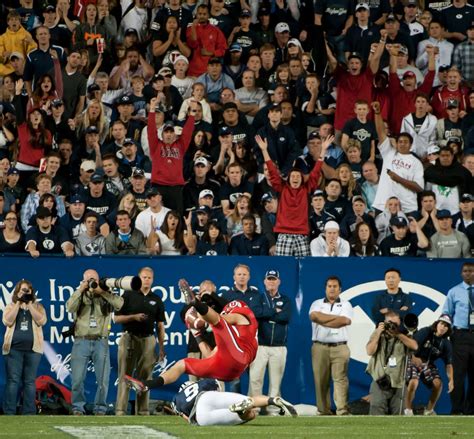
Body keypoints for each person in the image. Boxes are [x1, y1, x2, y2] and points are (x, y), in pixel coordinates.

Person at [124, 279, 257, 390]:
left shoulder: (243, 317)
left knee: (219, 323)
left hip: (240, 357)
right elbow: (209, 356)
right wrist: (197, 333)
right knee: (183, 364)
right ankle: (147, 384)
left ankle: (194, 302)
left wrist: (199, 319)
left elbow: (221, 320)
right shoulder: (232, 339)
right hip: (229, 367)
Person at [65, 269, 124, 415]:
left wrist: (102, 291)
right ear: (83, 280)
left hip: (101, 342)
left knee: (103, 380)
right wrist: (81, 289)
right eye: (88, 280)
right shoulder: (80, 294)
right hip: (81, 341)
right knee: (77, 379)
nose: (92, 282)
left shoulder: (105, 294)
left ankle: (100, 409)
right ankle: (78, 408)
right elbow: (69, 307)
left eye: (94, 279)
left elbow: (120, 304)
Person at [115, 267, 166, 416]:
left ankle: (143, 411)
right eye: (144, 277)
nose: (147, 280)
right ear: (139, 278)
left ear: (153, 280)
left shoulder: (156, 299)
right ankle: (120, 410)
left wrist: (162, 348)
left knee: (145, 377)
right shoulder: (128, 295)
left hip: (149, 339)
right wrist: (134, 317)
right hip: (129, 337)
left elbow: (160, 325)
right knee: (125, 374)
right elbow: (116, 318)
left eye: (149, 278)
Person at [248, 270, 291, 414]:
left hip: (279, 347)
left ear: (279, 281)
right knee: (255, 379)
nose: (271, 282)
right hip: (260, 345)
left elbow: (285, 317)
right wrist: (274, 311)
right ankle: (254, 408)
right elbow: (255, 314)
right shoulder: (258, 298)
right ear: (265, 281)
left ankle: (273, 410)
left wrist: (267, 313)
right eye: (269, 279)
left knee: (275, 382)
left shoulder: (285, 300)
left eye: (274, 279)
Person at [167, 378, 296, 426]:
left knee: (250, 415)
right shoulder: (201, 383)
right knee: (249, 400)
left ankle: (242, 412)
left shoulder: (176, 399)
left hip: (200, 416)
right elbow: (219, 389)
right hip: (207, 396)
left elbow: (186, 418)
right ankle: (272, 399)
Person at [309, 276, 353, 415]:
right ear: (325, 288)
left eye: (335, 286)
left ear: (340, 289)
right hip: (319, 346)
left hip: (340, 347)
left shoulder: (346, 304)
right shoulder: (316, 303)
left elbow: (344, 321)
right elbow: (314, 317)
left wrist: (323, 319)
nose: (332, 289)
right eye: (329, 286)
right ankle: (323, 411)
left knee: (340, 379)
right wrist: (335, 319)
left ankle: (342, 410)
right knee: (320, 380)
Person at [2, 279, 47, 415]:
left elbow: (42, 321)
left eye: (28, 290)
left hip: (33, 350)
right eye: (23, 290)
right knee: (13, 381)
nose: (25, 292)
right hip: (13, 350)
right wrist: (18, 303)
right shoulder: (10, 306)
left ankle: (29, 412)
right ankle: (9, 412)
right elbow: (7, 321)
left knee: (29, 382)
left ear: (32, 292)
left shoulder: (38, 307)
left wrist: (30, 304)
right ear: (17, 292)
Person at [366, 310, 418, 415]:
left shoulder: (404, 335)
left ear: (400, 323)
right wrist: (378, 332)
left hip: (398, 381)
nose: (391, 326)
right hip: (380, 379)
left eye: (394, 323)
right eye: (389, 323)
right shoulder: (378, 334)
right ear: (384, 322)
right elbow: (369, 351)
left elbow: (414, 346)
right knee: (377, 408)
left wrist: (397, 333)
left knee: (399, 412)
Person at [405, 315, 454, 416]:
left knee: (438, 383)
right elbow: (411, 345)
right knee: (413, 382)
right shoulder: (425, 331)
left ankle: (429, 410)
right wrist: (414, 357)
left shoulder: (446, 343)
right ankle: (408, 410)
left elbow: (448, 364)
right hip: (415, 358)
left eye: (446, 326)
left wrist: (451, 380)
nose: (443, 327)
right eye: (441, 323)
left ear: (448, 329)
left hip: (428, 363)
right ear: (437, 324)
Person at [442, 262, 474, 415]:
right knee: (458, 375)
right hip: (460, 335)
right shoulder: (454, 291)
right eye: (465, 271)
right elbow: (447, 313)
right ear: (461, 273)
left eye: (471, 271)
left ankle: (471, 410)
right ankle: (457, 409)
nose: (468, 273)